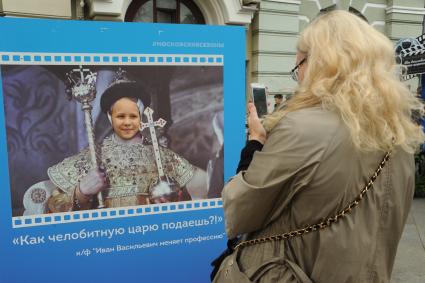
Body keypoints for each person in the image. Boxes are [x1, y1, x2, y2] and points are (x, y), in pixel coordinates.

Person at [213, 10, 424, 282]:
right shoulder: (402, 137)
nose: (299, 77)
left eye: (298, 66)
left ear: (320, 63)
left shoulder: (301, 128)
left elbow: (238, 210)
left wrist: (255, 143)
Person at [23, 70, 207, 213]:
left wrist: (173, 200)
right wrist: (82, 191)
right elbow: (52, 208)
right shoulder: (91, 159)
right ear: (110, 118)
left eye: (133, 116)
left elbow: (196, 201)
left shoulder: (164, 157)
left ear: (141, 116)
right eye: (120, 116)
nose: (127, 122)